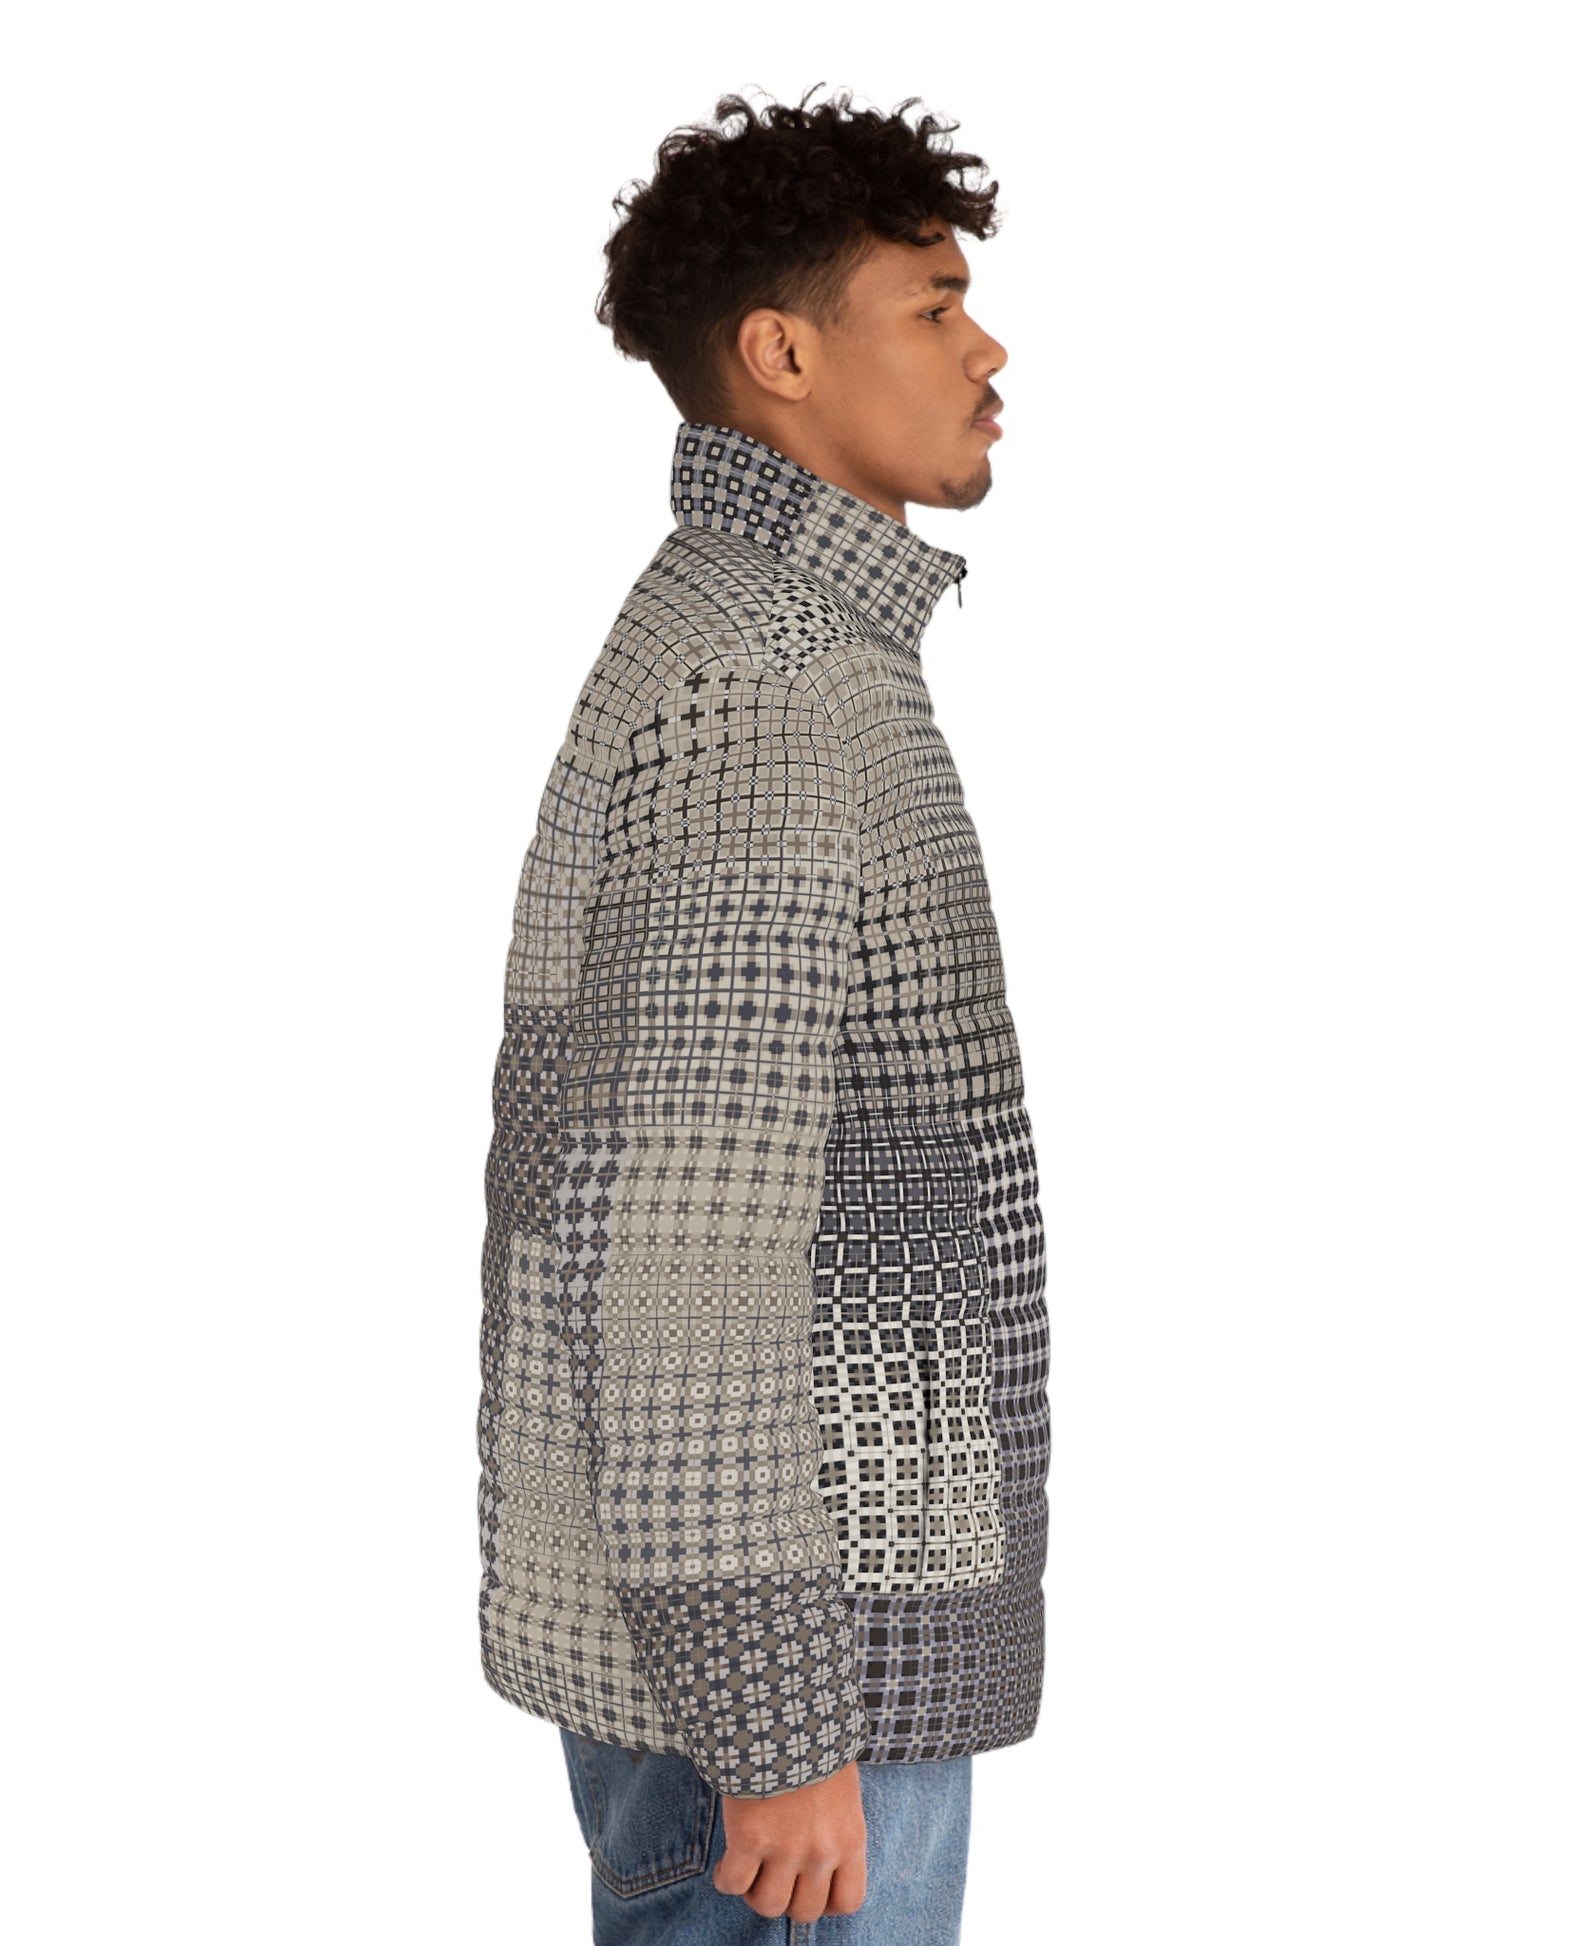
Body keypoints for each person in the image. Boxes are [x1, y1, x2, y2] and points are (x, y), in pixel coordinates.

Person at [477, 85, 1051, 1942]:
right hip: (804, 1697)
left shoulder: (788, 646)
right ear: (780, 353)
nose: (985, 350)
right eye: (933, 306)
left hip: (810, 1651)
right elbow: (680, 1255)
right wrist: (776, 1720)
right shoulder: (765, 680)